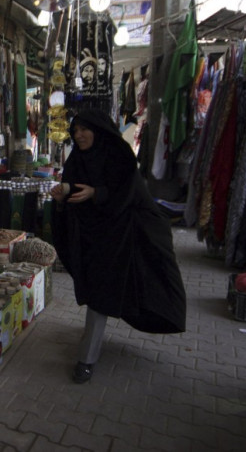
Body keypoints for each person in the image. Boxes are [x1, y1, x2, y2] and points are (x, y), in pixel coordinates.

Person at [50, 109, 186, 384]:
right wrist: (63, 194)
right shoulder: (78, 157)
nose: (79, 135)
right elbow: (74, 186)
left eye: (84, 130)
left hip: (129, 232)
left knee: (102, 293)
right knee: (101, 288)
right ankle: (91, 342)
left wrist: (97, 193)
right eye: (75, 132)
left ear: (98, 129)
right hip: (96, 236)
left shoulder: (119, 154)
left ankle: (86, 359)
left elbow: (130, 191)